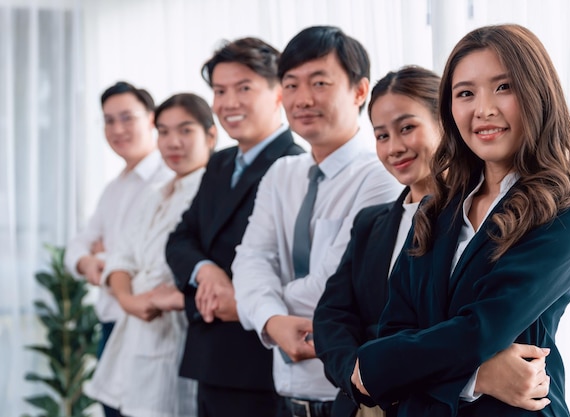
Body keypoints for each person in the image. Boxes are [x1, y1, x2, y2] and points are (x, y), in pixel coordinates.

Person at [352, 24, 570, 417]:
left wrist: (380, 366)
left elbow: (483, 329)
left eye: (503, 87)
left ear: (537, 94)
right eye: (465, 93)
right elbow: (395, 331)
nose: (483, 109)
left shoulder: (567, 209)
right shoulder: (435, 211)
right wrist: (479, 376)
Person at [313, 65, 556, 417]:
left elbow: (478, 329)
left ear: (446, 123)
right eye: (381, 136)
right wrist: (364, 375)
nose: (394, 147)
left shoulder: (496, 214)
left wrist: (388, 367)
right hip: (368, 403)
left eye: (407, 128)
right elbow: (331, 318)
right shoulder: (370, 223)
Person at [231, 26, 402, 417]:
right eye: (290, 85)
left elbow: (335, 288)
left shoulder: (382, 172)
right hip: (284, 393)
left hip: (349, 395)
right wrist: (272, 319)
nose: (302, 98)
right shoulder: (282, 173)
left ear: (360, 92)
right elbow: (250, 259)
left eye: (319, 82)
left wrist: (250, 304)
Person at [164, 38, 304, 417]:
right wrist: (206, 271)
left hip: (256, 360)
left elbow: (290, 265)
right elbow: (180, 238)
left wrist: (239, 300)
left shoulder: (296, 167)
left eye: (244, 88)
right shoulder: (220, 162)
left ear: (279, 92)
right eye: (220, 91)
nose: (229, 102)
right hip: (207, 356)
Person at [84, 93, 216, 417]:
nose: (173, 142)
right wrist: (129, 299)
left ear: (211, 135)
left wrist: (131, 285)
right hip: (129, 335)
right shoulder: (154, 193)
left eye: (185, 131)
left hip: (174, 338)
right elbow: (121, 258)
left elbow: (164, 270)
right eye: (164, 132)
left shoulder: (212, 192)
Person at [64, 81, 173, 417]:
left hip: (149, 328)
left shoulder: (169, 178)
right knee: (111, 408)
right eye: (109, 121)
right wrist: (88, 260)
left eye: (127, 118)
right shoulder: (114, 187)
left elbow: (149, 264)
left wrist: (103, 258)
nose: (117, 129)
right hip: (110, 325)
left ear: (152, 119)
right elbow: (77, 245)